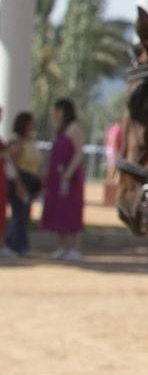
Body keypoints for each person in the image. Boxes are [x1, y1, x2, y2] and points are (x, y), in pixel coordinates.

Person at [41, 98, 87, 261]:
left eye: (57, 110)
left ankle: (74, 248)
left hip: (70, 179)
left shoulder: (74, 128)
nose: (54, 113)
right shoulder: (60, 129)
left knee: (72, 210)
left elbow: (78, 152)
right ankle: (62, 247)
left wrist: (68, 172)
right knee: (58, 210)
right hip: (56, 178)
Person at [4, 112, 41, 258]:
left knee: (24, 215)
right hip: (20, 181)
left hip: (30, 181)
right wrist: (19, 184)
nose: (32, 125)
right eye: (30, 122)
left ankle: (21, 246)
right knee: (18, 214)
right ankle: (14, 245)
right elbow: (12, 164)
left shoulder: (30, 140)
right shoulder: (16, 141)